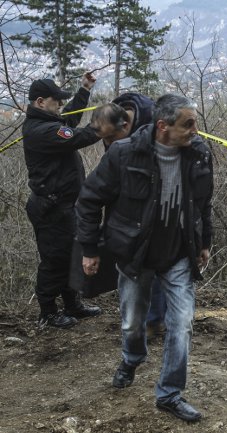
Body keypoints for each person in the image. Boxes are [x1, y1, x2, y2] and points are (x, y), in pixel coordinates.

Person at [75, 94, 213, 422]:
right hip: (136, 255)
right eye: (188, 124)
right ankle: (132, 358)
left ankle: (169, 394)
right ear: (163, 127)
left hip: (179, 254)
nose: (196, 131)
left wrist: (205, 242)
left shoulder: (199, 155)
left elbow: (203, 204)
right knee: (132, 323)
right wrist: (90, 249)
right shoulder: (124, 154)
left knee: (181, 325)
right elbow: (90, 200)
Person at [23, 74, 103, 328]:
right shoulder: (41, 131)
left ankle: (72, 305)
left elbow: (68, 118)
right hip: (51, 207)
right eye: (55, 100)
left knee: (72, 254)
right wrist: (104, 125)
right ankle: (47, 313)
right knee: (55, 259)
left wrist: (84, 90)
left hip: (66, 205)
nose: (59, 103)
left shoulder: (48, 122)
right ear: (40, 101)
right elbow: (78, 136)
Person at [90, 95, 166, 339]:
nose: (109, 144)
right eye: (105, 140)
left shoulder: (155, 124)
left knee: (155, 268)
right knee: (131, 272)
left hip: (158, 212)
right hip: (125, 216)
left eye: (112, 138)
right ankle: (136, 324)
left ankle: (154, 322)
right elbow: (92, 195)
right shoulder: (115, 129)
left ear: (126, 126)